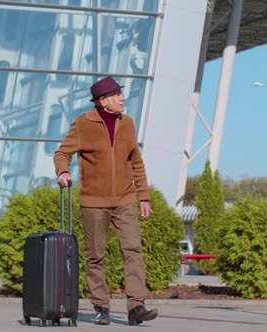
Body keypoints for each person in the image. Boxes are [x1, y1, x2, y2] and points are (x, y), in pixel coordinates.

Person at [54, 76, 158, 326]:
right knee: (95, 256)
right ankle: (101, 306)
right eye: (117, 95)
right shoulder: (83, 124)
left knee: (133, 250)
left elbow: (136, 162)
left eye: (121, 94)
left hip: (125, 199)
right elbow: (62, 152)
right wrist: (63, 171)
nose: (123, 98)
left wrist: (143, 195)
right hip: (94, 202)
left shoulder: (128, 124)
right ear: (103, 101)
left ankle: (136, 306)